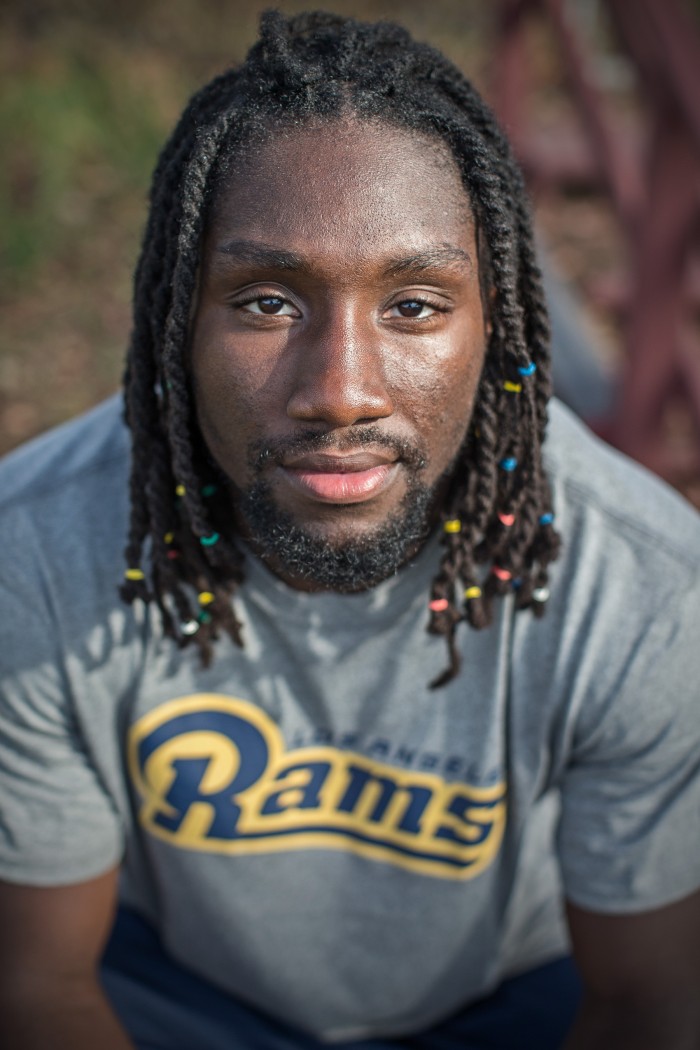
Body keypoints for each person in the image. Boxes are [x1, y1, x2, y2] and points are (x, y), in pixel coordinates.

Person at [0, 10, 698, 1050]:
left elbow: (646, 1006)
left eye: (413, 305)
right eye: (268, 302)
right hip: (166, 995)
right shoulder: (38, 549)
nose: (339, 392)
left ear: (495, 327)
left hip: (509, 1006)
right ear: (173, 323)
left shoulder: (639, 586)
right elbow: (40, 989)